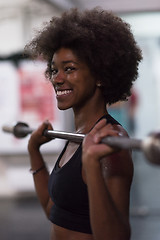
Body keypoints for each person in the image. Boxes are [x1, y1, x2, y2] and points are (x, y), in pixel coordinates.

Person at [25, 7, 142, 240]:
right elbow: (54, 211)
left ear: (100, 75)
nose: (57, 79)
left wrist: (90, 162)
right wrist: (33, 150)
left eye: (69, 69)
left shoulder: (110, 143)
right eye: (54, 70)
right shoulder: (76, 137)